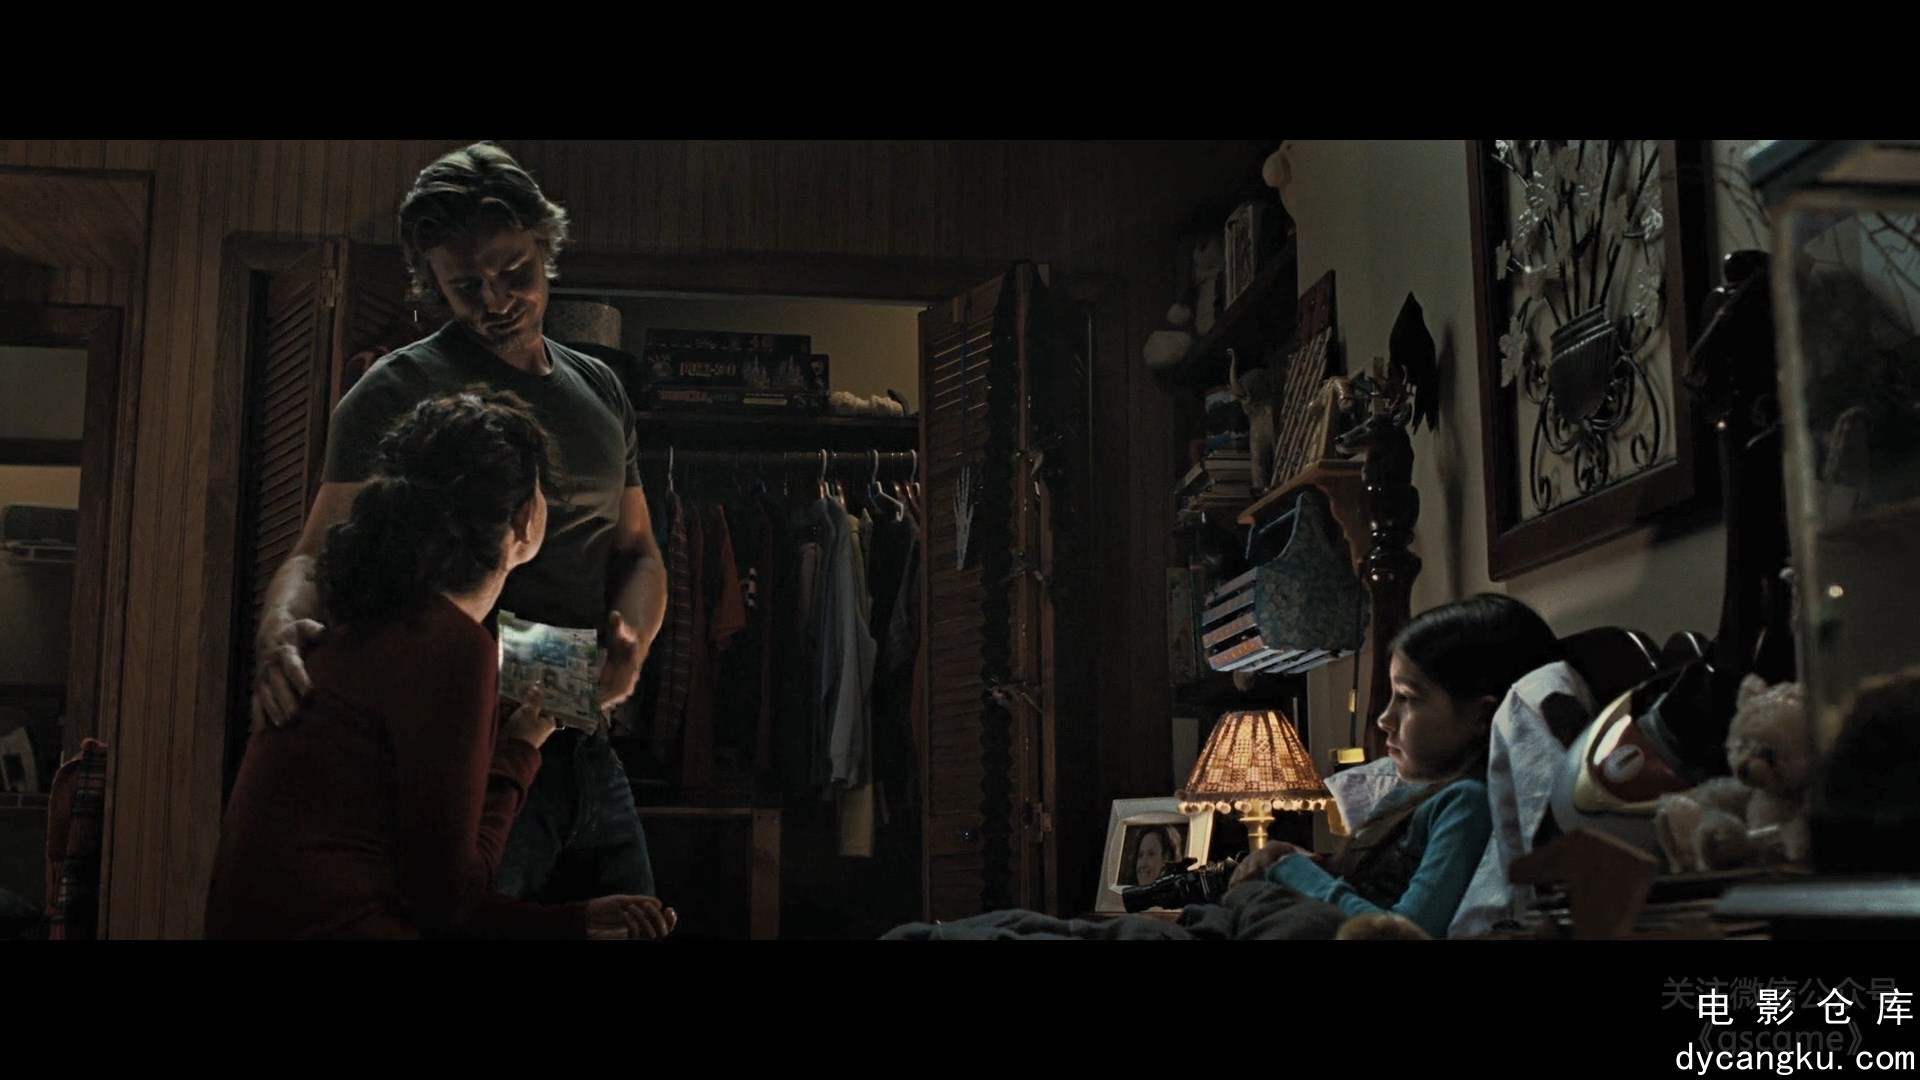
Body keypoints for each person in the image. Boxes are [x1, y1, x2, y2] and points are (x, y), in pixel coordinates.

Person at [247, 142, 669, 905]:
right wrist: (278, 628)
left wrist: (632, 640)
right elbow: (313, 555)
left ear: (545, 245)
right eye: (466, 286)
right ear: (433, 284)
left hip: (584, 741)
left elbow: (639, 551)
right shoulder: (393, 390)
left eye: (515, 272)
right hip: (459, 741)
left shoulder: (602, 389)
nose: (497, 300)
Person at [206, 392, 675, 939]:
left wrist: (576, 920)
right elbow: (448, 905)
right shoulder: (450, 645)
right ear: (527, 517)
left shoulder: (371, 614)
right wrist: (522, 747)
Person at [1223, 592, 1563, 938]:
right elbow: (1357, 890)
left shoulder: (1466, 802)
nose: (1384, 719)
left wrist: (1288, 867)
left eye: (1407, 698)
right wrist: (1306, 863)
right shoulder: (1405, 799)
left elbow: (1404, 930)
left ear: (1480, 715)